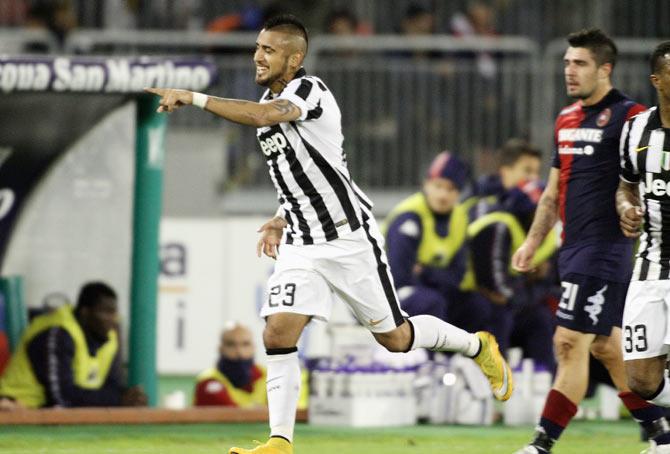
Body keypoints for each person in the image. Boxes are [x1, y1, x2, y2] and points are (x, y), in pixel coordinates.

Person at [145, 14, 512, 454]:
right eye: (258, 47)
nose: (257, 56)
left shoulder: (309, 91)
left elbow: (263, 116)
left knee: (395, 338)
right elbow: (301, 170)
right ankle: (281, 440)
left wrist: (194, 97)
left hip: (347, 238)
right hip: (301, 242)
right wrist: (282, 216)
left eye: (269, 50)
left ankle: (476, 346)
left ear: (294, 58)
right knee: (277, 333)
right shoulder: (270, 97)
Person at [512, 29, 670, 453]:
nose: (569, 70)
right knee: (606, 347)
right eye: (566, 62)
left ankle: (542, 443)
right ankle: (662, 435)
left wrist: (632, 213)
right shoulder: (565, 120)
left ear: (605, 69)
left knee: (568, 342)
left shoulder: (631, 117)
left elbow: (638, 181)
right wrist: (531, 243)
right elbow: (550, 193)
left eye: (579, 63)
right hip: (573, 247)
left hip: (607, 248)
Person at [617, 42, 670, 420]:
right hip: (651, 265)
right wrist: (626, 209)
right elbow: (625, 185)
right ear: (657, 80)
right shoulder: (636, 130)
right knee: (641, 380)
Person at [0, 282, 147, 409]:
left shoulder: (110, 339)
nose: (112, 319)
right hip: (16, 407)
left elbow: (111, 385)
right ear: (85, 313)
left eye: (114, 313)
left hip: (57, 416)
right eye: (106, 312)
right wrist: (118, 399)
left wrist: (128, 397)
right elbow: (62, 396)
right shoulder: (57, 332)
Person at [469, 180, 557, 373]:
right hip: (471, 302)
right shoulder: (498, 226)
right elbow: (496, 289)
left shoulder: (549, 236)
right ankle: (495, 382)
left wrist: (530, 285)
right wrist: (531, 281)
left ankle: (545, 383)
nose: (551, 216)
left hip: (517, 305)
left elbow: (551, 284)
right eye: (544, 209)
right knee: (496, 313)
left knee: (542, 317)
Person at [194, 322, 266, 407]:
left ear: (253, 348)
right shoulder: (208, 381)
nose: (239, 351)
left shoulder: (267, 375)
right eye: (231, 344)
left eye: (245, 344)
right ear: (220, 349)